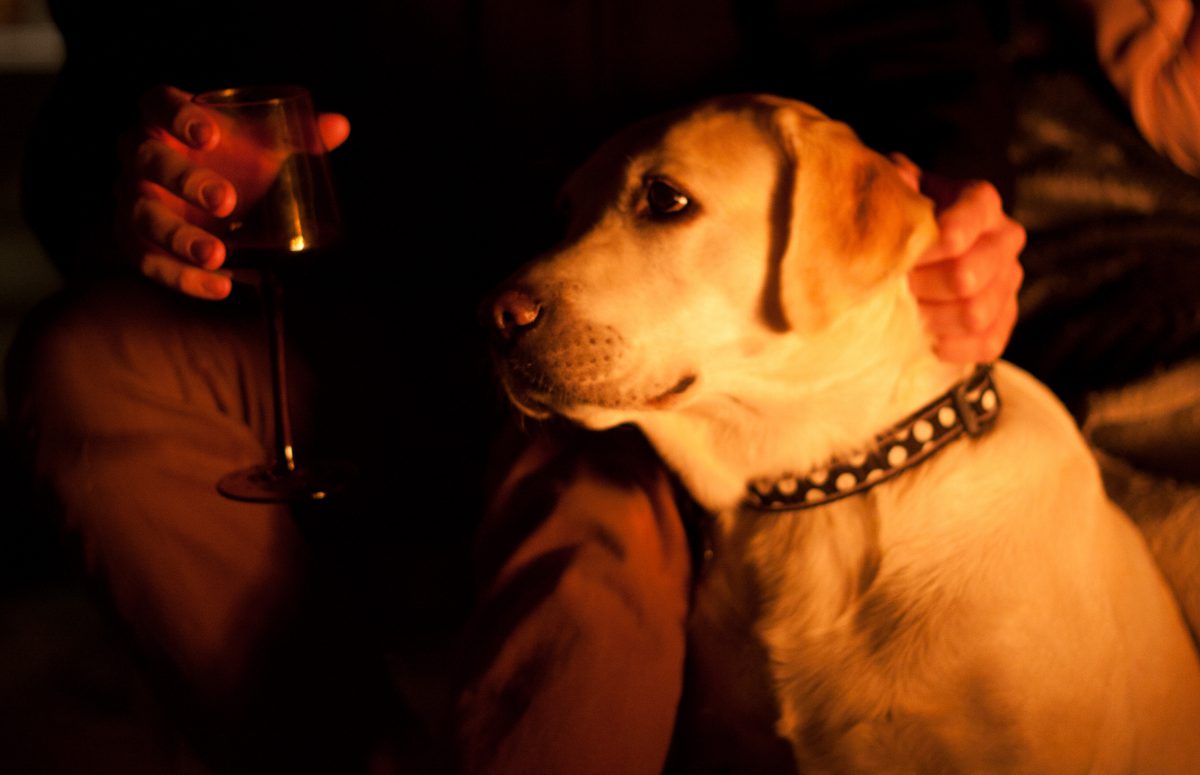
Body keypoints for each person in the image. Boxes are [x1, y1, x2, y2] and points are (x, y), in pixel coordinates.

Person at [10, 1, 1025, 771]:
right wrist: (138, 182)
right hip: (335, 309)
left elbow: (923, 55)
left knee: (587, 535)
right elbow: (104, 86)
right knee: (83, 364)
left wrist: (944, 199)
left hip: (633, 339)